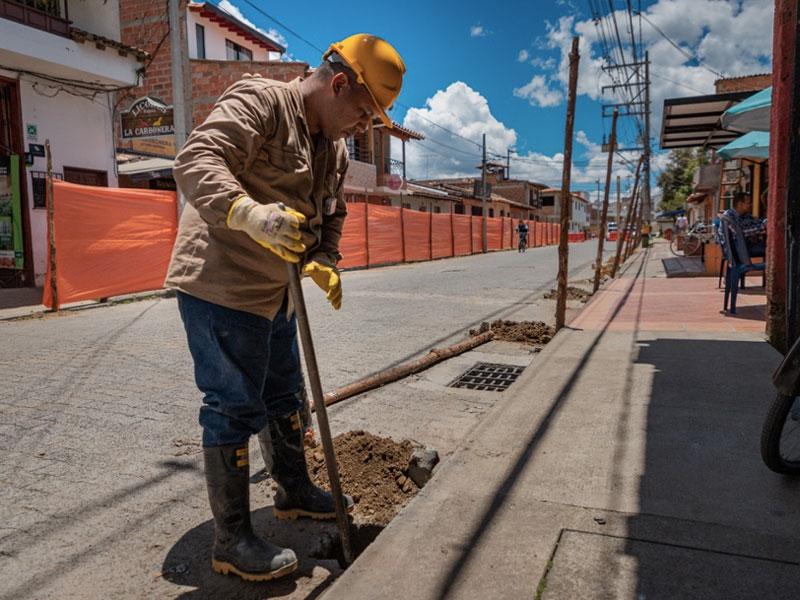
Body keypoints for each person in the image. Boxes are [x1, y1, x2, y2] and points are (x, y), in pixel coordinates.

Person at [165, 34, 406, 582]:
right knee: (232, 405)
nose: (364, 128)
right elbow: (196, 159)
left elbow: (334, 212)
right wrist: (248, 213)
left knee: (285, 395)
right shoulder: (261, 101)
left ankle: (293, 492)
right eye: (364, 114)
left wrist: (324, 257)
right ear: (338, 83)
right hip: (222, 283)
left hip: (279, 291)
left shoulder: (336, 148)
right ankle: (231, 541)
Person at [723, 191, 766, 258]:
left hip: (745, 247)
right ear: (740, 204)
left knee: (768, 245)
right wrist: (762, 227)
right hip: (736, 251)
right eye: (748, 203)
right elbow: (740, 233)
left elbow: (758, 222)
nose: (751, 205)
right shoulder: (728, 217)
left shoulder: (746, 215)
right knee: (771, 249)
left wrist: (765, 222)